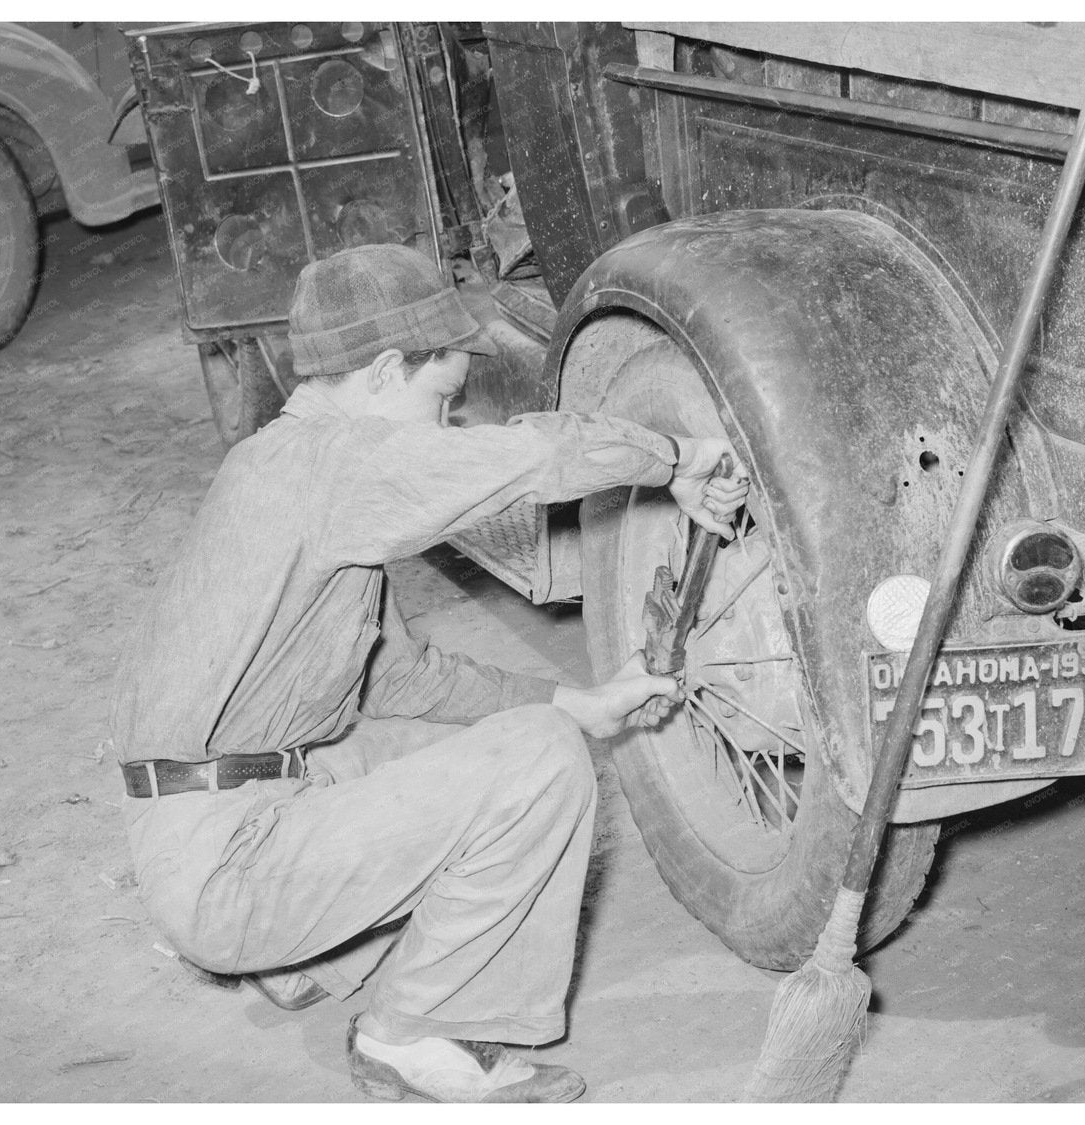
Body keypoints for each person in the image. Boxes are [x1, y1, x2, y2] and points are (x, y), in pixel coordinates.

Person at [109, 242, 749, 1102]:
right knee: (541, 761)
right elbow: (521, 459)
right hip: (224, 861)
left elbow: (401, 679)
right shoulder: (328, 467)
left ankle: (303, 960)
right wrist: (671, 458)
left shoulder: (286, 471)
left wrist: (575, 697)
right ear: (379, 373)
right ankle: (411, 1036)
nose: (446, 428)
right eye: (440, 402)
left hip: (214, 821)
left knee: (456, 736)